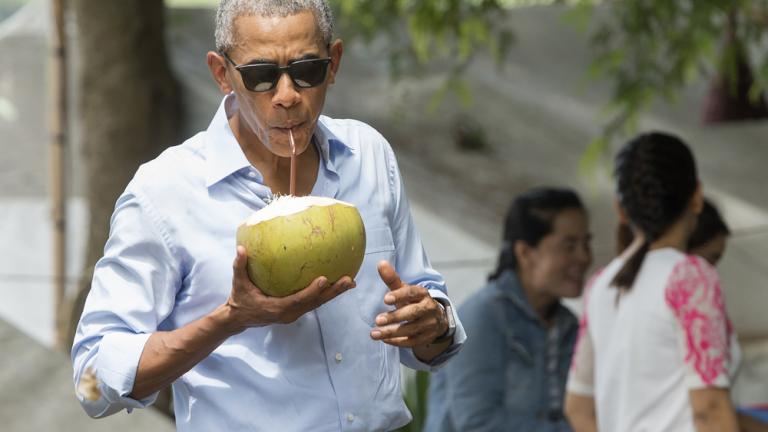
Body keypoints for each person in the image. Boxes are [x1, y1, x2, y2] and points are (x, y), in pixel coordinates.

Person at [70, 1, 466, 430]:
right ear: (222, 74)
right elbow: (90, 382)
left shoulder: (368, 156)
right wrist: (230, 319)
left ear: (333, 64)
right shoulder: (165, 193)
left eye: (307, 70)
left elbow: (426, 307)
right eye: (260, 76)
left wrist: (434, 322)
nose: (286, 96)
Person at [564, 132, 739, 432]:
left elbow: (578, 409)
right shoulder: (690, 277)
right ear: (696, 197)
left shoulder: (601, 285)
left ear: (621, 210)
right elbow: (709, 410)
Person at [424, 187, 592, 431]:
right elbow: (477, 424)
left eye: (586, 243)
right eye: (569, 245)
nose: (584, 257)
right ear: (525, 253)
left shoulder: (569, 326)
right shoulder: (482, 317)